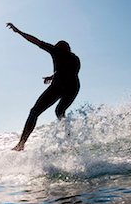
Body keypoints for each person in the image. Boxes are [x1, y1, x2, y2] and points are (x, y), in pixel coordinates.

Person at [6, 23, 81, 151]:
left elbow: (35, 41)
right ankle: (70, 141)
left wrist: (18, 31)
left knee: (34, 112)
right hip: (73, 87)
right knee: (59, 111)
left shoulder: (56, 51)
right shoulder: (75, 58)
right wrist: (52, 77)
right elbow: (68, 72)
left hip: (59, 86)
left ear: (58, 48)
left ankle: (21, 144)